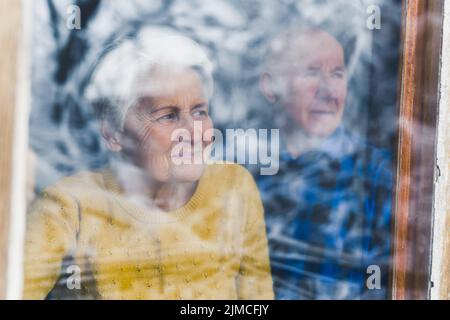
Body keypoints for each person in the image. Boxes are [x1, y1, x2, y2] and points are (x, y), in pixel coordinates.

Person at [23, 28, 273, 300]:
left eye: (200, 112)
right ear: (113, 133)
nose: (193, 132)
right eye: (168, 116)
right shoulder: (71, 205)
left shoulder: (233, 188)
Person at [258, 27, 393, 299]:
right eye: (312, 71)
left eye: (337, 74)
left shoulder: (377, 173)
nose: (330, 91)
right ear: (271, 86)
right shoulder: (242, 164)